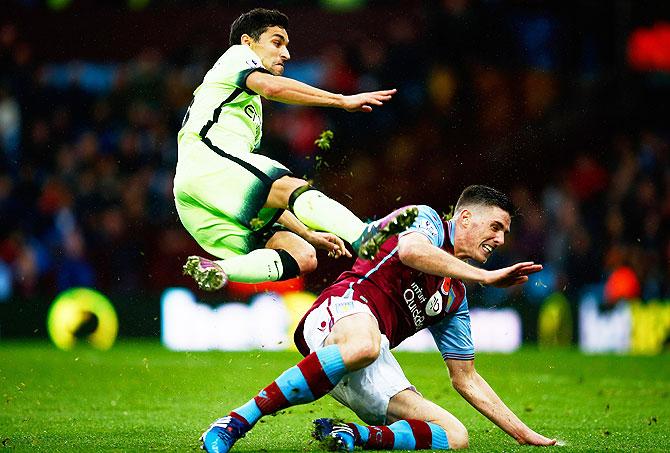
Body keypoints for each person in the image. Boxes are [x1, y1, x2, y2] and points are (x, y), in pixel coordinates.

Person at [200, 185, 558, 452]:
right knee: (365, 344)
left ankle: (351, 434)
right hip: (342, 310)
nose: (499, 238)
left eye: (505, 233)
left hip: (367, 354)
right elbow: (411, 250)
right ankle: (236, 421)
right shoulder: (425, 220)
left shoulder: (454, 296)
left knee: (453, 435)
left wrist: (523, 433)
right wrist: (487, 277)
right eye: (495, 226)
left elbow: (466, 379)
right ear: (464, 217)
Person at [175, 8, 416, 291]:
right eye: (277, 43)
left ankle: (216, 269)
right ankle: (364, 235)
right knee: (290, 186)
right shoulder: (237, 56)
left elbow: (269, 196)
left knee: (303, 256)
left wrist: (307, 232)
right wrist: (341, 101)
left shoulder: (247, 109)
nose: (286, 54)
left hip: (196, 198)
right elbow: (272, 88)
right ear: (248, 42)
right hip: (207, 163)